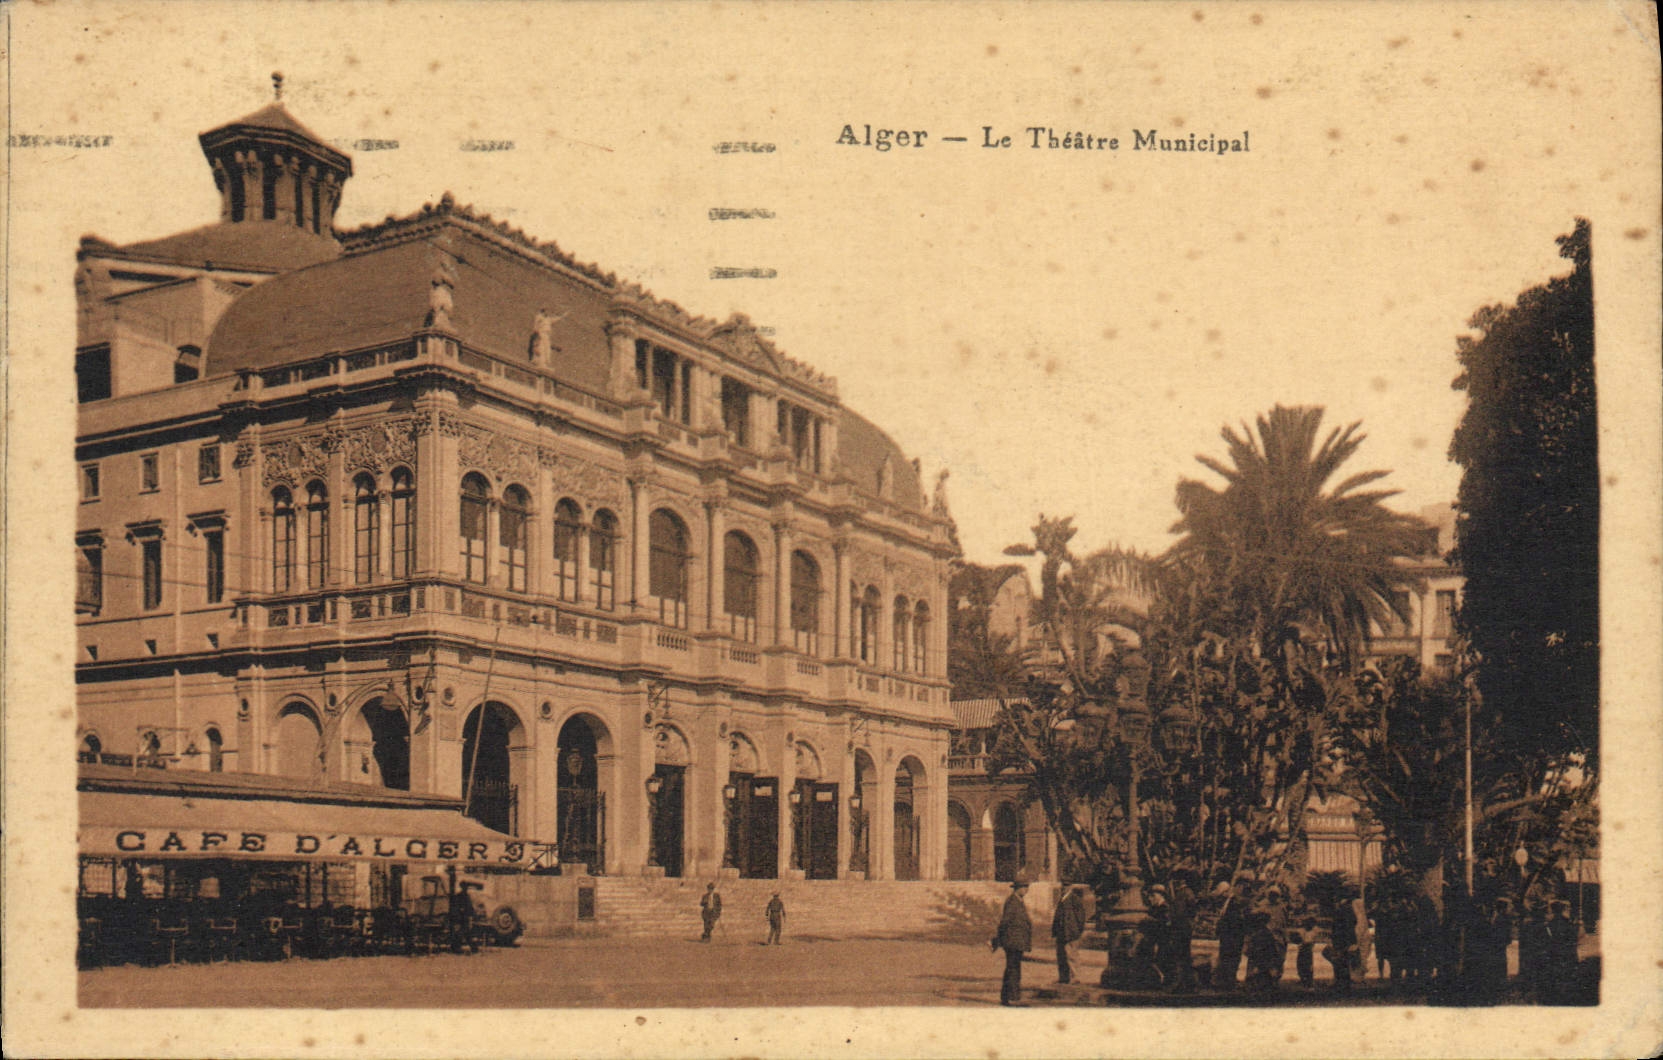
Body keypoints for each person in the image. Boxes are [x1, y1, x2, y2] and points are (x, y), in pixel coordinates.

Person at [991, 876, 1033, 1006]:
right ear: (1017, 888)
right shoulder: (1012, 902)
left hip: (1016, 941)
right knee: (1013, 970)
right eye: (1024, 887)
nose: (1026, 890)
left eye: (1027, 887)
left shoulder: (1018, 901)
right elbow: (1005, 922)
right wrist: (998, 939)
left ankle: (1007, 997)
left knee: (1012, 969)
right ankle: (1012, 998)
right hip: (1012, 941)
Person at [1213, 878, 1250, 991]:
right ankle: (1226, 980)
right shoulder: (1229, 902)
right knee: (1227, 958)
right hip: (1228, 936)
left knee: (1231, 958)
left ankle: (1228, 982)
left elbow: (1234, 921)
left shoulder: (1234, 902)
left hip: (1232, 936)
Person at [1050, 884, 1087, 984]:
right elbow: (1057, 917)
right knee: (1061, 956)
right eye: (1062, 886)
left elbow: (1081, 917)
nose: (1063, 888)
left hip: (1070, 933)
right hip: (1061, 933)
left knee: (1071, 955)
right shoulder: (1062, 899)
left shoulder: (1074, 899)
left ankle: (1075, 977)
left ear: (1070, 887)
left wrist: (1076, 931)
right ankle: (1063, 977)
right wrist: (1055, 931)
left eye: (1066, 886)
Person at [1294, 915, 1318, 990]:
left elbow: (1308, 941)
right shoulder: (1303, 931)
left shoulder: (1312, 932)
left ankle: (1309, 982)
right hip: (1303, 949)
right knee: (1300, 965)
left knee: (1308, 965)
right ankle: (1304, 980)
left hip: (1307, 949)